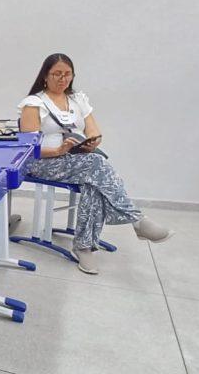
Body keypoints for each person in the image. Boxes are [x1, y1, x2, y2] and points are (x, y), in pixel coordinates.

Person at [19, 53, 173, 275]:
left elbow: (93, 130)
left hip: (75, 160)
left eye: (67, 74)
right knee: (95, 164)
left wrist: (92, 142)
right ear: (45, 75)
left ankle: (83, 247)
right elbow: (27, 148)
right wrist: (58, 151)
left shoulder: (77, 99)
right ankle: (137, 220)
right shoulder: (33, 104)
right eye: (57, 74)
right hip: (42, 162)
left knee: (93, 180)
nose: (63, 79)